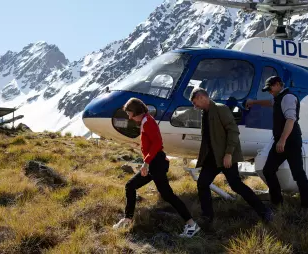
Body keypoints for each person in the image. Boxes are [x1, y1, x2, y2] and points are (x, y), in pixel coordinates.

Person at [112, 97, 201, 238]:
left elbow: (157, 143)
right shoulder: (145, 121)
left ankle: (192, 225)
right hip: (154, 162)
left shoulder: (148, 122)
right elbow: (152, 142)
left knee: (168, 195)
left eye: (129, 113)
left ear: (135, 112)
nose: (129, 117)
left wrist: (146, 162)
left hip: (156, 163)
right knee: (130, 186)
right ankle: (127, 219)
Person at [189, 87, 273, 225]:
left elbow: (233, 131)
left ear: (201, 98)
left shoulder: (221, 109)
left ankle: (264, 212)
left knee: (236, 186)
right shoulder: (205, 113)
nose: (195, 106)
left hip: (225, 157)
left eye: (195, 102)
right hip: (212, 158)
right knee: (202, 184)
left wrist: (228, 154)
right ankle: (207, 217)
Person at [246, 76, 308, 210]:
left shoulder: (288, 98)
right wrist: (254, 102)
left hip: (291, 141)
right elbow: (270, 102)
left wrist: (282, 141)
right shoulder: (279, 97)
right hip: (281, 140)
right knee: (268, 170)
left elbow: (290, 120)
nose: (269, 91)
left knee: (298, 173)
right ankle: (277, 203)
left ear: (278, 85)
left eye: (270, 88)